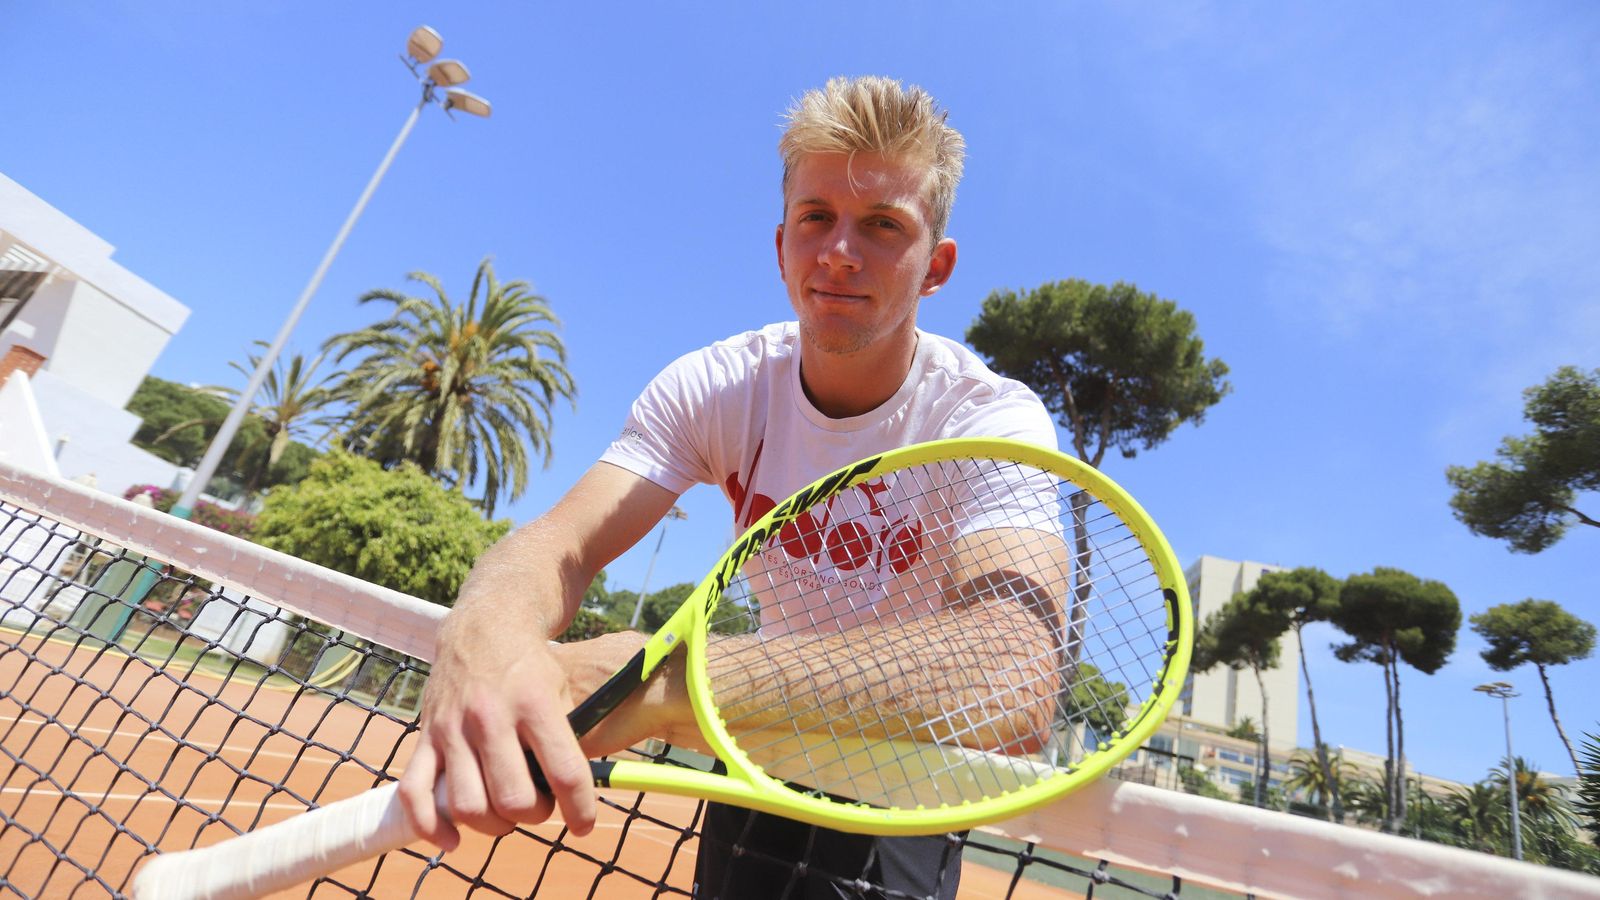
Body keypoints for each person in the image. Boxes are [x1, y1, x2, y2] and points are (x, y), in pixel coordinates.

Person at [398, 75, 1058, 899]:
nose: (840, 250)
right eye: (817, 218)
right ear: (782, 245)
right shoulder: (718, 387)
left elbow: (1012, 672)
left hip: (900, 784)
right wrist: (481, 638)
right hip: (752, 754)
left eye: (884, 226)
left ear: (936, 267)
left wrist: (654, 679)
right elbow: (558, 544)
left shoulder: (991, 417)